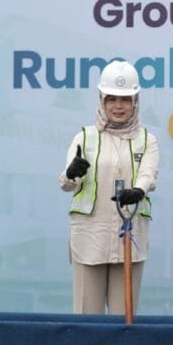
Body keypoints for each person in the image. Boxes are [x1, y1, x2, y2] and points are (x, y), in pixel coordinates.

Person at [60, 60, 159, 315]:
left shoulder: (147, 139)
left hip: (130, 235)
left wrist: (138, 190)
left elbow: (148, 173)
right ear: (101, 100)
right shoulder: (84, 137)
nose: (118, 106)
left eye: (125, 99)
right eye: (111, 98)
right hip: (89, 236)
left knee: (123, 317)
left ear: (135, 101)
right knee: (87, 318)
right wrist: (72, 173)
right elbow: (67, 184)